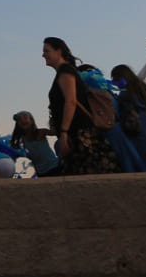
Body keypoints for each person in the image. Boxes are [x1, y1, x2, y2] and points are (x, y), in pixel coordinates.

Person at [42, 38, 115, 176]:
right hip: (78, 134)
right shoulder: (64, 72)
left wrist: (64, 132)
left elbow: (71, 101)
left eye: (47, 51)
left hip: (79, 135)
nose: (43, 55)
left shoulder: (65, 71)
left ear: (59, 51)